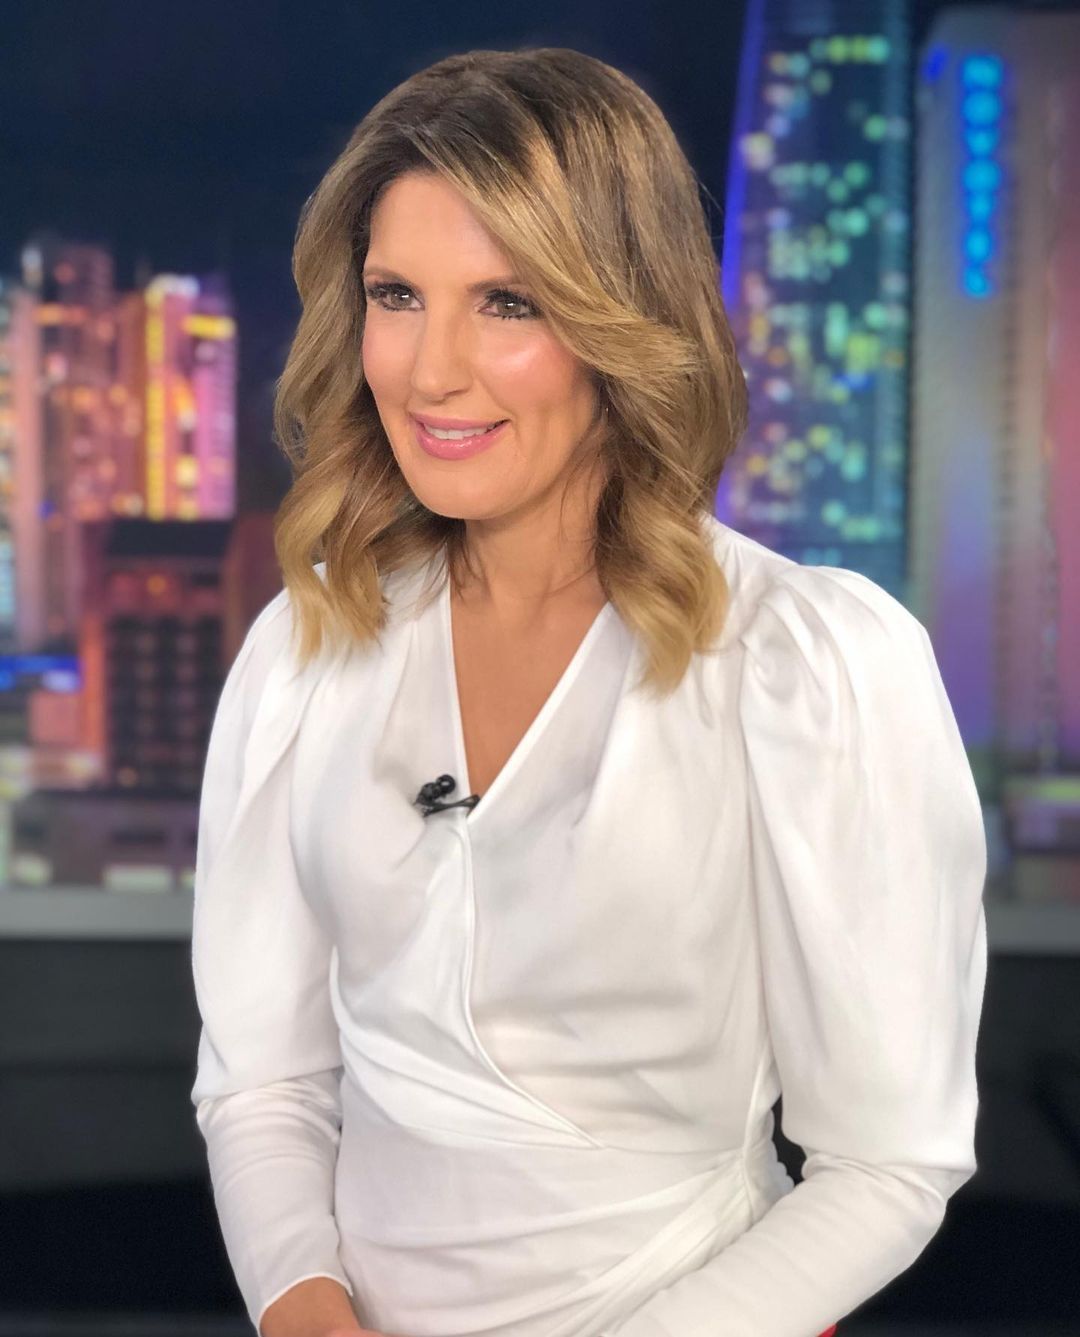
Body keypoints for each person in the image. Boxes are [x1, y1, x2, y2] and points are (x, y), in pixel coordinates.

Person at [189, 46, 987, 1337]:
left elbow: (888, 1165)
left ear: (621, 322)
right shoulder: (308, 645)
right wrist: (305, 1309)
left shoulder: (806, 663)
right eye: (398, 295)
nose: (431, 371)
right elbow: (260, 1081)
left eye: (507, 303)